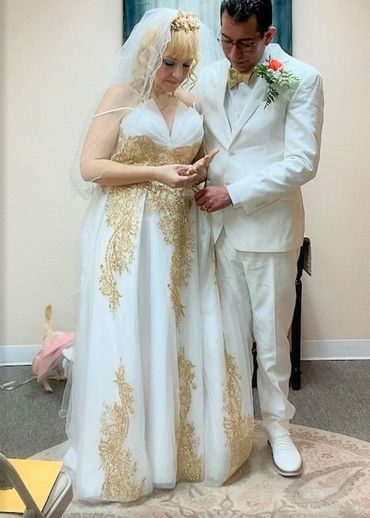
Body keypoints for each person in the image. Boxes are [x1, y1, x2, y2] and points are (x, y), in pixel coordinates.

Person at [64, 8, 254, 503]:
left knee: (180, 327)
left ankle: (181, 450)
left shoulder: (190, 101)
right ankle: (128, 458)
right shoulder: (121, 97)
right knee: (132, 328)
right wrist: (154, 173)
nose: (177, 75)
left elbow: (189, 163)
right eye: (169, 63)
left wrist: (194, 171)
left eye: (186, 66)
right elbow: (90, 167)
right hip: (130, 231)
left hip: (181, 230)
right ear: (148, 53)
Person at [194, 0, 324, 477]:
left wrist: (235, 193)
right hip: (216, 233)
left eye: (243, 42)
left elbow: (302, 162)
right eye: (224, 39)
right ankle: (232, 427)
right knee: (226, 336)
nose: (232, 52)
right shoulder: (208, 76)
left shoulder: (301, 79)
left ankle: (278, 426)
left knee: (270, 340)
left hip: (268, 230)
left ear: (267, 35)